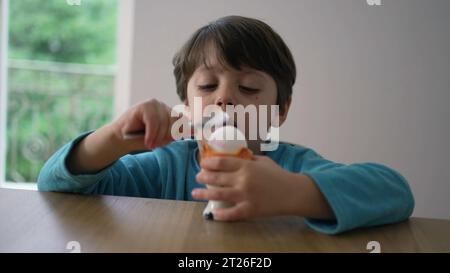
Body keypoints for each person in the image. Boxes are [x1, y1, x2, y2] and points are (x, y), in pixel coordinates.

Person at [38, 15, 414, 235]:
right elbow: (54, 185)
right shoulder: (163, 166)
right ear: (186, 106)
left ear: (280, 111)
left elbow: (395, 193)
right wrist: (115, 138)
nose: (224, 98)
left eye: (248, 87)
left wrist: (295, 193)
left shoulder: (292, 166)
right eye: (207, 85)